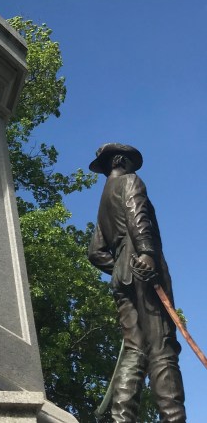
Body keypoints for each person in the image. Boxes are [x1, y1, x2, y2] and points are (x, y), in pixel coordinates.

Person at [88, 143, 186, 423]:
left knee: (134, 349)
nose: (133, 168)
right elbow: (137, 215)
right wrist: (146, 254)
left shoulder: (104, 200)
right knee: (162, 347)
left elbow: (95, 252)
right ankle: (173, 418)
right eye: (130, 162)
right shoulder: (130, 181)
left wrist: (121, 268)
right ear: (119, 160)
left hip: (122, 274)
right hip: (144, 268)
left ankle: (122, 418)